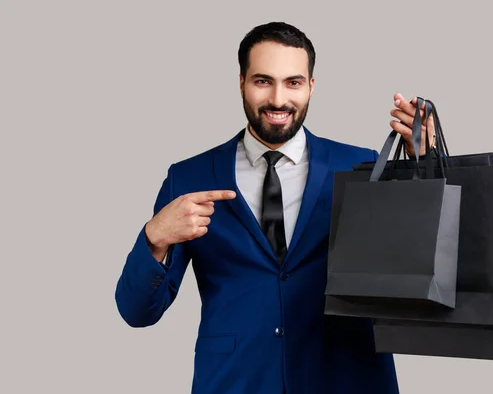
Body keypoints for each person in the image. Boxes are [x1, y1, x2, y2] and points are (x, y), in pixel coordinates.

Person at [115, 21, 435, 394]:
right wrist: (154, 238)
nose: (279, 99)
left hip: (349, 377)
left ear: (311, 86)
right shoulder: (188, 177)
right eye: (263, 81)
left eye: (293, 82)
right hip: (236, 381)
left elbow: (419, 265)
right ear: (241, 82)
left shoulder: (363, 168)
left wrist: (422, 168)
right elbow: (138, 312)